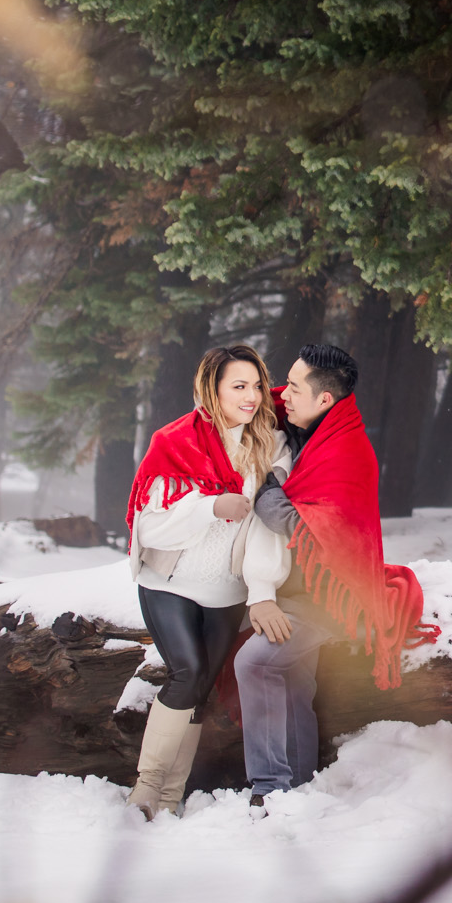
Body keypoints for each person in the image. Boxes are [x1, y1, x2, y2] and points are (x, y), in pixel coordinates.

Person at [234, 342, 434, 810]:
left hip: (330, 594)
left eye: (296, 387)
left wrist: (262, 486)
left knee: (255, 663)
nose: (283, 395)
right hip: (294, 588)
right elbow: (255, 400)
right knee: (293, 680)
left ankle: (269, 788)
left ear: (325, 399)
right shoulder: (301, 421)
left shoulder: (348, 450)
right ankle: (298, 786)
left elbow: (308, 531)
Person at [122, 343, 282, 820]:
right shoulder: (175, 442)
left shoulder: (267, 446)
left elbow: (264, 529)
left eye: (256, 385)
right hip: (169, 581)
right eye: (238, 386)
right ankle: (145, 789)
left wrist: (261, 591)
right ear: (212, 389)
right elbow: (147, 527)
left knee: (200, 685)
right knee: (187, 672)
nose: (251, 396)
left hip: (225, 591)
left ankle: (171, 797)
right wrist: (209, 507)